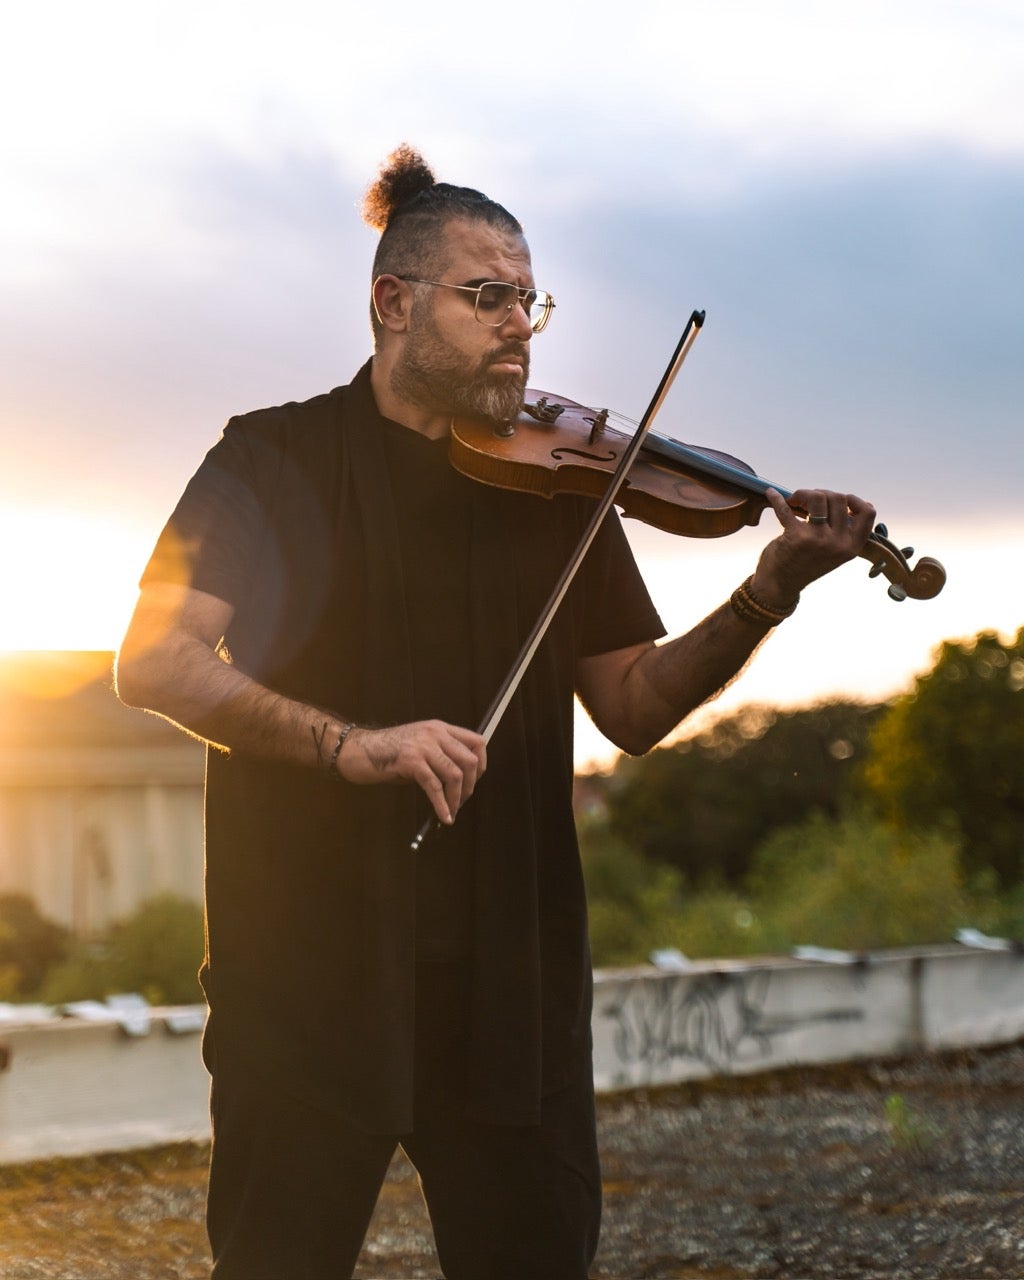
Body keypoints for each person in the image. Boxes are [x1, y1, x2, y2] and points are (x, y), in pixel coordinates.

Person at [115, 144, 876, 1279]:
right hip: (305, 978)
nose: (519, 326)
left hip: (511, 985)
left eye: (529, 301)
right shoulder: (269, 457)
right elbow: (154, 660)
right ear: (393, 301)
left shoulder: (559, 483)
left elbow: (633, 705)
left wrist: (765, 593)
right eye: (486, 298)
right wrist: (351, 745)